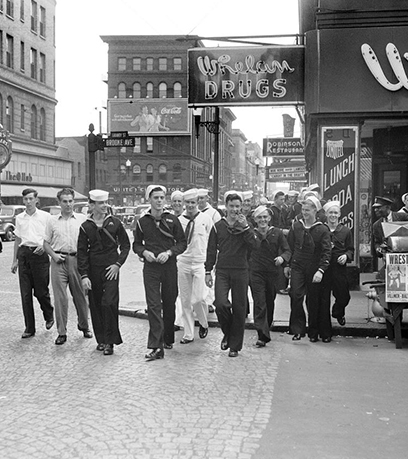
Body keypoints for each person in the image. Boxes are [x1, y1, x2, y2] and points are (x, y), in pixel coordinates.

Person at [133, 185, 187, 361]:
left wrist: (170, 253)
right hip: (151, 268)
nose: (159, 201)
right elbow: (137, 244)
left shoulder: (172, 220)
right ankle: (156, 346)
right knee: (154, 305)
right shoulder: (142, 222)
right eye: (155, 197)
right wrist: (144, 253)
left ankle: (168, 337)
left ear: (165, 200)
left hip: (169, 265)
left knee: (169, 301)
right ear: (149, 199)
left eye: (162, 197)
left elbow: (182, 243)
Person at [77, 190, 130, 355]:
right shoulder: (86, 227)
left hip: (111, 270)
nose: (104, 206)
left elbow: (126, 246)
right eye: (100, 203)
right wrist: (84, 276)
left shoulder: (115, 223)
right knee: (96, 304)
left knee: (109, 303)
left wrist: (118, 264)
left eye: (105, 202)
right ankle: (101, 340)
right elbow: (82, 253)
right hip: (93, 271)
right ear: (92, 205)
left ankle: (110, 342)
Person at [205, 192, 256, 357]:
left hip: (241, 270)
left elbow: (254, 246)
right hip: (223, 270)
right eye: (231, 206)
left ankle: (235, 345)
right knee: (220, 303)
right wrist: (207, 271)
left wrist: (246, 228)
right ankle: (227, 332)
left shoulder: (246, 226)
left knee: (240, 307)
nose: (234, 209)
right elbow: (211, 250)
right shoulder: (218, 226)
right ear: (225, 207)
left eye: (237, 206)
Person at [43, 188, 92, 345]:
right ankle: (62, 332)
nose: (68, 204)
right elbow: (45, 243)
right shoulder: (52, 220)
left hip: (77, 260)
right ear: (59, 203)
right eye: (65, 201)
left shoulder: (82, 219)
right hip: (59, 260)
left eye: (71, 201)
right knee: (60, 298)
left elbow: (88, 242)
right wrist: (54, 255)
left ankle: (84, 326)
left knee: (80, 296)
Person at [286, 195, 332, 342]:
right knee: (296, 295)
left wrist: (321, 270)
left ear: (315, 211)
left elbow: (326, 251)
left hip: (314, 267)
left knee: (313, 300)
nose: (304, 213)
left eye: (307, 210)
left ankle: (313, 332)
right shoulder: (296, 226)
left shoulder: (322, 229)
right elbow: (290, 246)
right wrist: (288, 265)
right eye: (303, 210)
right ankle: (298, 329)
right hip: (298, 265)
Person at [11, 188, 54, 339]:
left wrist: (44, 246)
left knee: (41, 292)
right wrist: (15, 260)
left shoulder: (46, 217)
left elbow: (52, 236)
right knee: (25, 294)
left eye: (31, 199)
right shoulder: (20, 218)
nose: (28, 202)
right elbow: (17, 239)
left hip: (40, 256)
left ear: (36, 200)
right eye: (25, 199)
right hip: (24, 255)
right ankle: (29, 328)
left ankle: (49, 314)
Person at [250, 205, 291, 347]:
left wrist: (282, 258)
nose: (262, 220)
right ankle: (262, 334)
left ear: (269, 218)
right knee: (259, 302)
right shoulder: (251, 233)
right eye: (259, 217)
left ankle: (267, 326)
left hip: (272, 273)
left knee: (269, 301)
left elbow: (287, 250)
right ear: (255, 219)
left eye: (265, 217)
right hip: (255, 272)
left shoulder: (277, 233)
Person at [177, 188, 213, 343]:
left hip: (200, 263)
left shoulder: (205, 219)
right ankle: (188, 333)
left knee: (198, 299)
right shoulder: (179, 220)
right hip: (183, 262)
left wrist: (211, 264)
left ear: (198, 202)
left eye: (193, 202)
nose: (190, 205)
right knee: (185, 300)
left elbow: (212, 241)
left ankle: (204, 323)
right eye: (188, 202)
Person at [321, 201, 354, 326]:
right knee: (324, 299)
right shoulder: (321, 229)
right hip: (324, 267)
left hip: (339, 268)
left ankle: (338, 312)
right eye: (330, 213)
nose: (333, 215)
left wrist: (346, 256)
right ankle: (324, 326)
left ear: (339, 214)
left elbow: (350, 249)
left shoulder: (345, 231)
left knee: (343, 296)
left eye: (335, 213)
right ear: (326, 214)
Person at [197, 188, 221, 313]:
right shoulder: (193, 212)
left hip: (210, 248)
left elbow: (218, 231)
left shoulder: (214, 213)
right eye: (198, 198)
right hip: (198, 250)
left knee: (210, 274)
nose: (200, 201)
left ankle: (209, 301)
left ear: (207, 198)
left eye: (202, 198)